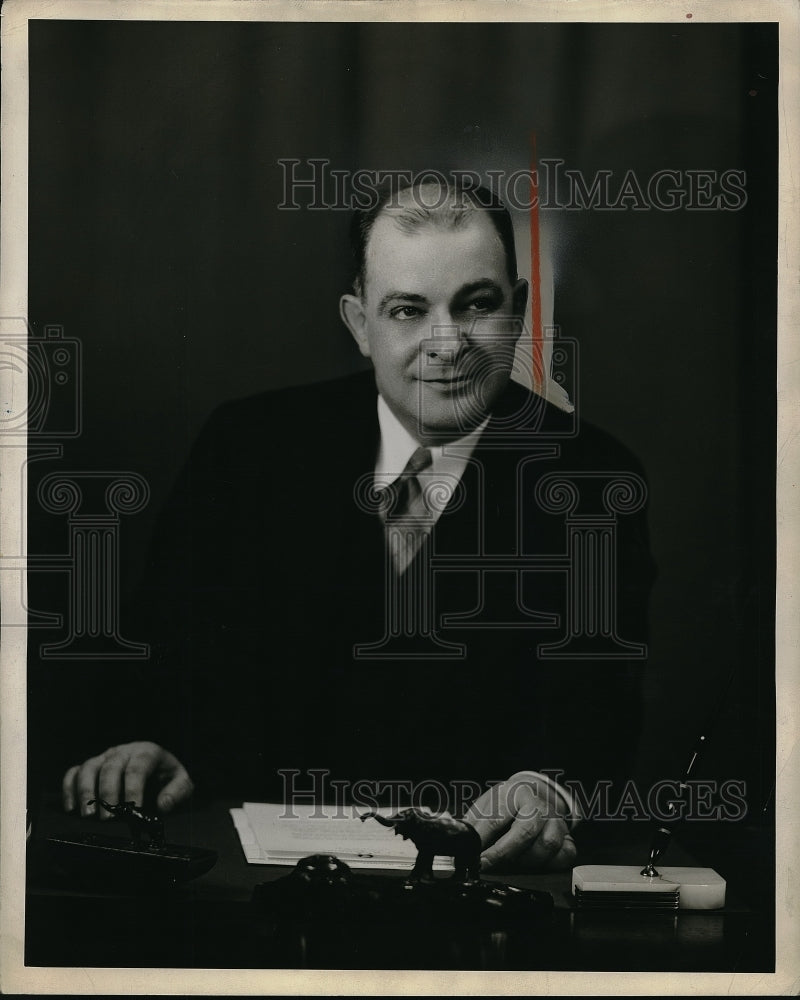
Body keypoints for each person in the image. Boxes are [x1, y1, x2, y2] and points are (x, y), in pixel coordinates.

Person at [60, 178, 655, 872]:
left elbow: (596, 708)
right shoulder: (246, 448)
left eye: (478, 305)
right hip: (251, 883)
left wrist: (548, 788)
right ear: (358, 323)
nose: (448, 344)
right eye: (407, 310)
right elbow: (170, 659)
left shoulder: (594, 478)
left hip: (481, 889)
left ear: (518, 311)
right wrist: (154, 744)